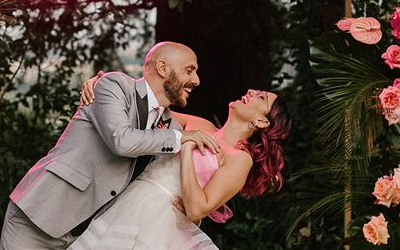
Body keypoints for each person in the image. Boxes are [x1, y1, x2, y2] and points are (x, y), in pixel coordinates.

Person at [0, 42, 221, 249]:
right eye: (189, 70)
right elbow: (121, 141)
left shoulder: (169, 123)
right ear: (163, 68)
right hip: (41, 216)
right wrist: (180, 137)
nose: (197, 80)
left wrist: (181, 207)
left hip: (87, 235)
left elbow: (205, 132)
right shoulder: (114, 85)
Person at [70, 81, 290, 249]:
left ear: (262, 122)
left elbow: (196, 209)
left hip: (161, 221)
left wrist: (186, 149)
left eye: (261, 97)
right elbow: (147, 107)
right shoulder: (201, 124)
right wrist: (104, 83)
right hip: (129, 201)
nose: (251, 91)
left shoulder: (240, 159)